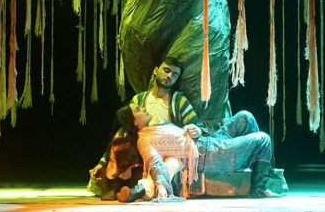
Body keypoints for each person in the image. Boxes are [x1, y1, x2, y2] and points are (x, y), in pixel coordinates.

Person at [87, 57, 207, 199]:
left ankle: (142, 190)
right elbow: (124, 130)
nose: (169, 76)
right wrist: (102, 162)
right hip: (144, 151)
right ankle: (125, 187)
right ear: (156, 70)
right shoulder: (139, 100)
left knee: (173, 162)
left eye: (174, 74)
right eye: (166, 70)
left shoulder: (179, 101)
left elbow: (197, 125)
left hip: (170, 150)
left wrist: (197, 130)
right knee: (123, 141)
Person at [116, 101, 282, 201]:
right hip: (209, 154)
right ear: (134, 122)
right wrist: (162, 187)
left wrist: (196, 130)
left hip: (209, 140)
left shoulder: (156, 127)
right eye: (138, 109)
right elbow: (155, 163)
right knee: (263, 139)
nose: (143, 108)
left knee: (245, 117)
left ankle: (262, 169)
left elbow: (187, 134)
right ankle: (258, 189)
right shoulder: (144, 140)